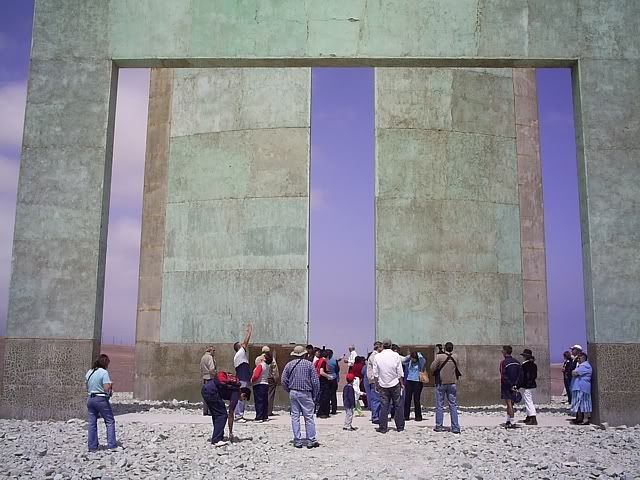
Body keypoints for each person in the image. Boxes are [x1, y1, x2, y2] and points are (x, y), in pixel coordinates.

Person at [281, 345, 320, 449]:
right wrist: (315, 395)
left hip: (293, 392)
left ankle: (297, 440)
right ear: (304, 354)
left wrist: (289, 390)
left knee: (295, 417)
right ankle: (311, 440)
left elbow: (283, 380)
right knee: (309, 417)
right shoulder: (309, 365)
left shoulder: (289, 365)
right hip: (306, 393)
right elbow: (315, 382)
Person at [85, 354, 117, 451]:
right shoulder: (104, 372)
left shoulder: (89, 372)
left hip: (90, 398)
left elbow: (87, 385)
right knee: (109, 421)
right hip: (101, 398)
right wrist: (111, 385)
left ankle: (92, 446)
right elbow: (106, 388)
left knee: (92, 423)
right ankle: (111, 445)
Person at [372, 339, 405, 434]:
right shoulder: (396, 356)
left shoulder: (377, 356)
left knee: (384, 406)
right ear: (390, 345)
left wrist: (376, 384)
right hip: (395, 383)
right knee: (398, 405)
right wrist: (402, 383)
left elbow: (375, 373)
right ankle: (400, 426)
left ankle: (383, 427)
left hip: (382, 384)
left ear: (382, 346)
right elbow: (399, 372)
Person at [430, 342, 461, 434]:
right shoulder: (456, 357)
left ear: (445, 348)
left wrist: (438, 356)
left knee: (439, 405)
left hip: (441, 383)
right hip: (452, 383)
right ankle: (455, 427)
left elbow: (432, 367)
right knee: (453, 405)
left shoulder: (440, 357)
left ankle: (439, 426)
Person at [233, 324, 253, 423]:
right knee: (241, 396)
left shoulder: (240, 356)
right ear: (239, 347)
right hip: (242, 378)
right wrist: (249, 332)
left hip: (244, 378)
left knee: (243, 396)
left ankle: (239, 414)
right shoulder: (240, 353)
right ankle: (238, 416)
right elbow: (245, 343)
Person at [202, 375, 229, 447]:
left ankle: (219, 435)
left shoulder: (232, 386)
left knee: (216, 414)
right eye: (243, 399)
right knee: (222, 415)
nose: (242, 401)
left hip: (205, 388)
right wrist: (231, 431)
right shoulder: (235, 392)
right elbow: (231, 413)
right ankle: (216, 439)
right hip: (211, 391)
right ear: (243, 394)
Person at [500, 345, 522, 429]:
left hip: (507, 386)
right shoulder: (517, 362)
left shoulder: (503, 363)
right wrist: (516, 385)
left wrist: (511, 385)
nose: (502, 352)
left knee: (509, 404)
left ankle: (512, 421)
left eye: (502, 351)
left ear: (505, 352)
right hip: (515, 386)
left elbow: (503, 375)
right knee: (511, 404)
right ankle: (508, 420)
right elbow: (520, 375)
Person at [402, 350, 426, 421]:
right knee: (407, 399)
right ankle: (406, 415)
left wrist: (418, 354)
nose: (413, 360)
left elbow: (422, 360)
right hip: (409, 381)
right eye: (412, 358)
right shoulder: (409, 362)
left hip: (417, 382)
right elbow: (403, 361)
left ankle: (418, 416)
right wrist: (409, 356)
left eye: (414, 358)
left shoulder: (420, 363)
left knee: (416, 399)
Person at [570, 351, 593, 425]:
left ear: (583, 358)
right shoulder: (580, 366)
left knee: (585, 403)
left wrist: (574, 372)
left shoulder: (585, 366)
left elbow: (574, 373)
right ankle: (579, 418)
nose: (578, 360)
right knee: (578, 404)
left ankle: (585, 419)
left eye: (579, 358)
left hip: (583, 387)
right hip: (578, 387)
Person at [364, 342, 383, 424]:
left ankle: (377, 415)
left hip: (375, 380)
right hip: (375, 380)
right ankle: (375, 416)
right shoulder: (374, 356)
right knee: (376, 399)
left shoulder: (374, 355)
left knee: (377, 398)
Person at [519, 348, 538, 425]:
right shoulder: (534, 365)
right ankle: (529, 416)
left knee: (528, 402)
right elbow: (534, 376)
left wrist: (519, 385)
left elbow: (523, 376)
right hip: (533, 385)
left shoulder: (524, 365)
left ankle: (533, 418)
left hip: (527, 386)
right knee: (529, 401)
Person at [251, 352, 271, 421]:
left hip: (259, 384)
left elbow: (256, 375)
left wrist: (252, 380)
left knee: (259, 401)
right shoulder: (267, 366)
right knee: (265, 401)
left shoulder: (260, 365)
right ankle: (265, 416)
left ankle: (259, 417)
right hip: (265, 384)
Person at [200, 345, 217, 416]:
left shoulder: (203, 357)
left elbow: (200, 368)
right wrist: (215, 374)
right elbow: (212, 368)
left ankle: (205, 410)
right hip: (210, 378)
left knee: (205, 395)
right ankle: (210, 411)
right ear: (210, 351)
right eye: (213, 350)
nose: (214, 352)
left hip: (204, 377)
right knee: (211, 394)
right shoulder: (210, 357)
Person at [316, 350, 331, 418]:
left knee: (321, 396)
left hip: (319, 380)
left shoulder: (319, 360)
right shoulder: (323, 361)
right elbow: (321, 372)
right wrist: (329, 376)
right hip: (323, 381)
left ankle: (320, 412)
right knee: (325, 397)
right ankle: (323, 413)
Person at [326, 349, 340, 415]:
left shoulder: (325, 361)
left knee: (327, 395)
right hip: (334, 378)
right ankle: (334, 410)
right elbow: (337, 370)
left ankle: (327, 409)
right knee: (333, 395)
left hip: (326, 378)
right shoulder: (334, 360)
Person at [267, 350, 280, 416]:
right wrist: (276, 379)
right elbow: (275, 371)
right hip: (270, 379)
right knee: (270, 396)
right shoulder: (271, 359)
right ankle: (269, 411)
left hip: (262, 380)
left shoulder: (259, 359)